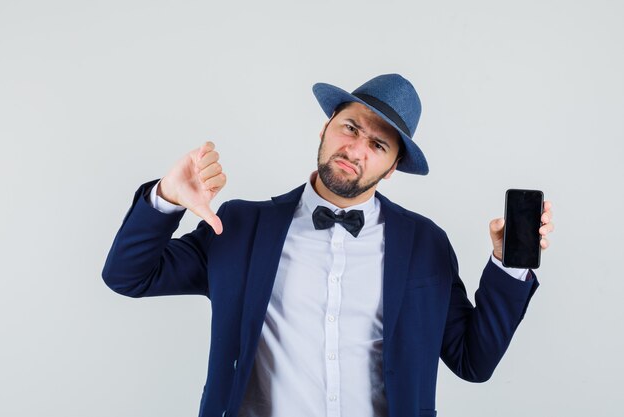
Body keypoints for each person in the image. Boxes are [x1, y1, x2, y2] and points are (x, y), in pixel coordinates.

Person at [102, 74, 554, 417]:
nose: (355, 149)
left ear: (393, 167)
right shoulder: (241, 226)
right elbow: (129, 275)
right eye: (350, 128)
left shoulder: (425, 245)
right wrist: (165, 198)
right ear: (325, 129)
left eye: (377, 144)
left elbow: (473, 361)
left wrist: (507, 264)